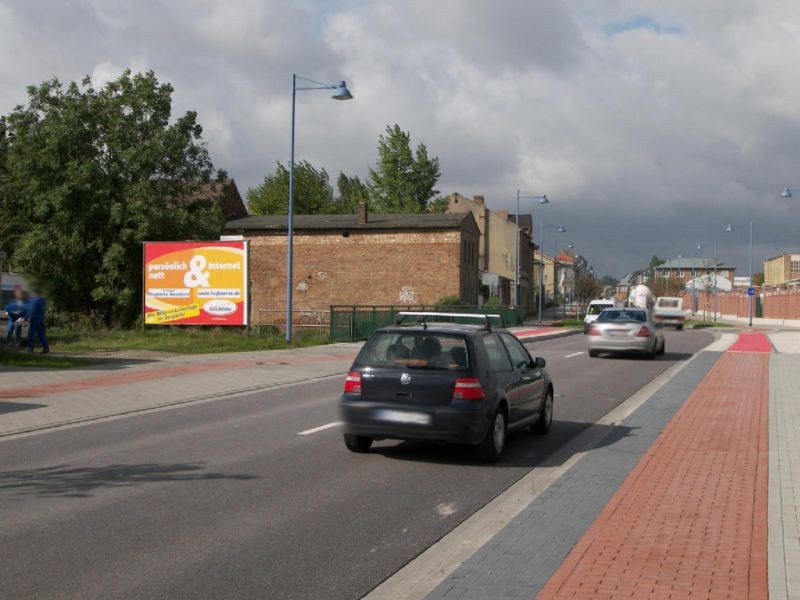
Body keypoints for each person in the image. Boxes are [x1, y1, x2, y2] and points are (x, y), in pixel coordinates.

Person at [25, 289, 49, 354]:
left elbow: (30, 311)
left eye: (32, 293)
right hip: (41, 320)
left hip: (34, 320)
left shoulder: (33, 301)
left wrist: (25, 318)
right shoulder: (42, 301)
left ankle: (30, 349)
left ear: (34, 293)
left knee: (31, 335)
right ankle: (45, 348)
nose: (31, 294)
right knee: (41, 335)